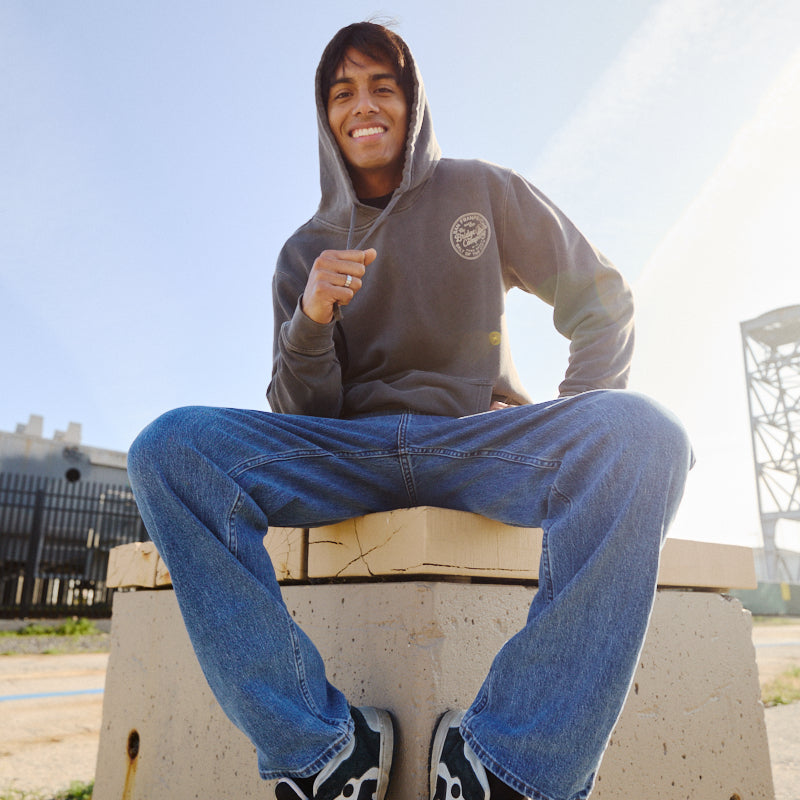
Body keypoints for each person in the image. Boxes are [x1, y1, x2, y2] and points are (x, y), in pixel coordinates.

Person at [128, 21, 693, 800]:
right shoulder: (305, 252)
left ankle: (510, 761)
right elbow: (300, 411)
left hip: (476, 441)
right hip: (346, 453)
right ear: (326, 117)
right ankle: (321, 748)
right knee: (168, 448)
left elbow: (602, 300)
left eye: (382, 87)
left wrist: (566, 420)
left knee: (644, 436)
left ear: (412, 101)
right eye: (343, 93)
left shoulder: (479, 190)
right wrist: (312, 320)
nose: (364, 106)